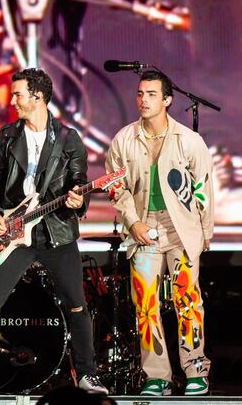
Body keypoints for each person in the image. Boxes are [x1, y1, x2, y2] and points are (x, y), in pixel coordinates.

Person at [0, 68, 108, 395]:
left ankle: (88, 375)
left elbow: (79, 183)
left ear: (37, 96)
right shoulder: (7, 137)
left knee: (77, 305)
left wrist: (77, 201)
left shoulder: (68, 139)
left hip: (56, 232)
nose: (13, 100)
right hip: (13, 233)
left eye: (18, 94)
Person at [105, 70, 213, 396]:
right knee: (146, 305)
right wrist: (131, 221)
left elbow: (202, 190)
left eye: (151, 94)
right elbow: (115, 186)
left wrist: (205, 233)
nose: (143, 100)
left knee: (188, 300)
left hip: (181, 227)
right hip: (143, 227)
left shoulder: (189, 140)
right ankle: (157, 376)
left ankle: (195, 370)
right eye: (140, 94)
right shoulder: (124, 139)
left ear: (167, 100)